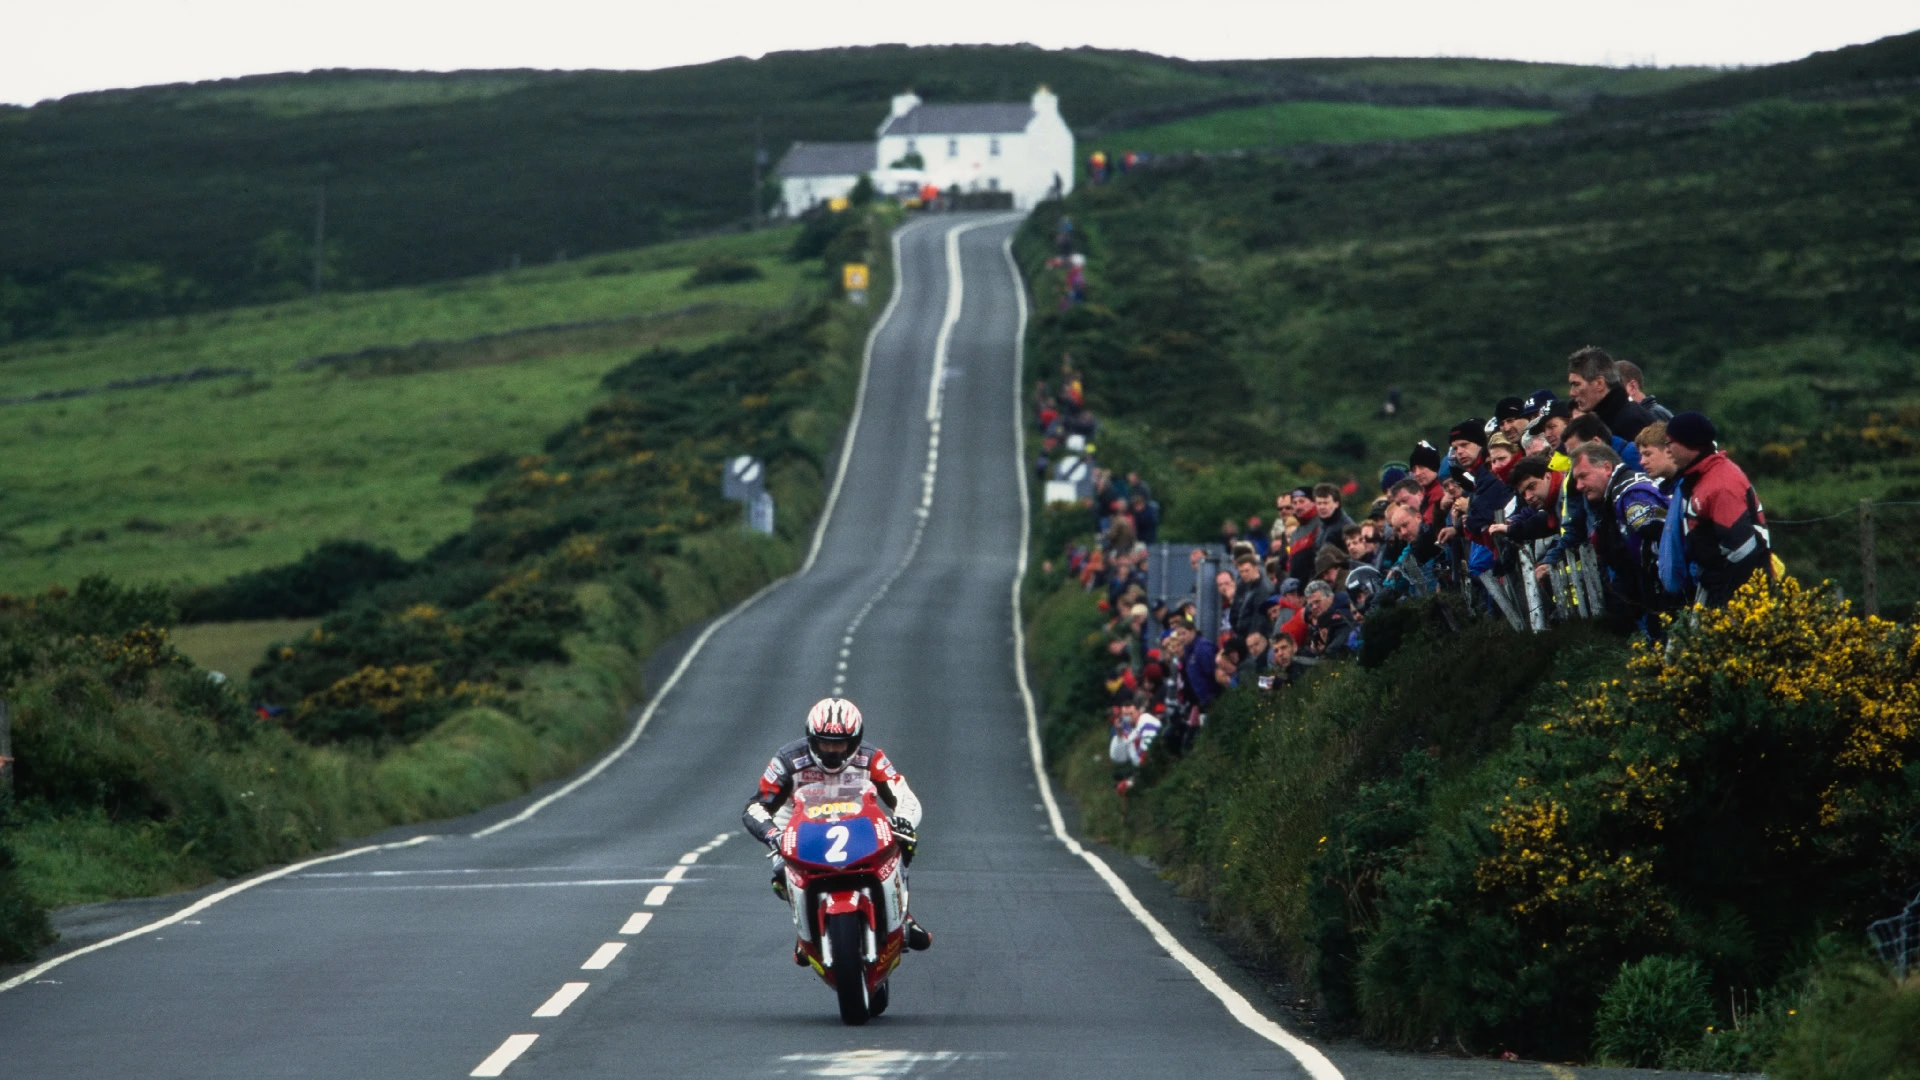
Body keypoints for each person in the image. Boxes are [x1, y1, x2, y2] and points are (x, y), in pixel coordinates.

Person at [744, 697, 932, 951]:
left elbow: (903, 794)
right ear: (811, 739)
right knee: (781, 872)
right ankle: (805, 931)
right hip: (798, 825)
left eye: (840, 744)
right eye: (825, 743)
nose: (832, 751)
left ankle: (903, 914)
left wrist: (903, 820)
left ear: (854, 741)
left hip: (858, 822)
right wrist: (772, 834)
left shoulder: (871, 757)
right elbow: (755, 806)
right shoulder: (787, 759)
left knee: (903, 844)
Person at [1665, 412, 1774, 606]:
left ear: (1689, 443)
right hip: (1716, 586)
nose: (1667, 450)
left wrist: (1724, 602)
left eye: (1670, 442)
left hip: (1738, 594)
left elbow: (1743, 550)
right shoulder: (1699, 476)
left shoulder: (1721, 486)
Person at [1565, 346, 1655, 442]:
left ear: (1599, 383)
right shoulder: (1603, 422)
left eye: (1576, 384)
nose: (1571, 393)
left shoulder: (1633, 422)